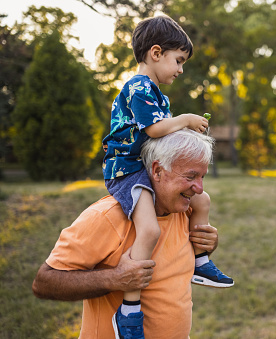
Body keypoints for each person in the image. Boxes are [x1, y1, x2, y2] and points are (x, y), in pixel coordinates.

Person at [100, 15, 233, 338]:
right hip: (127, 170)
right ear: (156, 53)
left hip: (148, 166)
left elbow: (164, 139)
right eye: (179, 60)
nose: (181, 69)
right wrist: (186, 119)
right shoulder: (138, 87)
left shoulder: (158, 95)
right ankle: (129, 309)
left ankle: (199, 262)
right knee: (148, 230)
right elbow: (155, 130)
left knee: (202, 199)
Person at [32, 129, 224, 338]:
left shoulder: (185, 211)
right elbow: (44, 283)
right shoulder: (106, 216)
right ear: (157, 171)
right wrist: (114, 279)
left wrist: (203, 248)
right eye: (191, 176)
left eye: (202, 176)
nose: (199, 188)